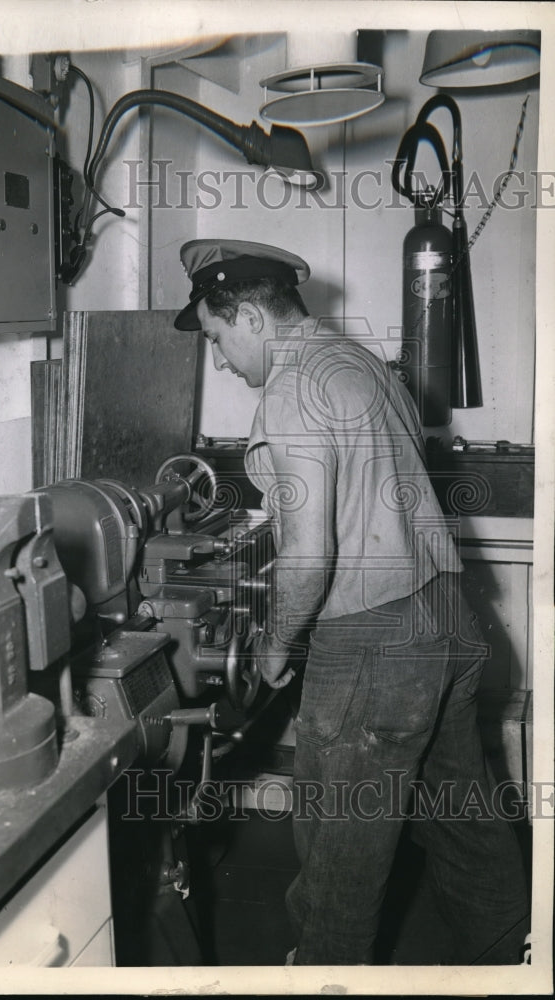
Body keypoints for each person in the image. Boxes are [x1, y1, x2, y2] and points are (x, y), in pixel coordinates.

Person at [174, 238, 530, 966]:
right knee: (457, 815)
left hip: (375, 642)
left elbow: (309, 552)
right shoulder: (355, 359)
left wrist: (273, 645)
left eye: (215, 338)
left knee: (339, 856)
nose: (219, 360)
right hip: (443, 615)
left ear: (244, 314)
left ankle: (324, 978)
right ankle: (517, 956)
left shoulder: (292, 383)